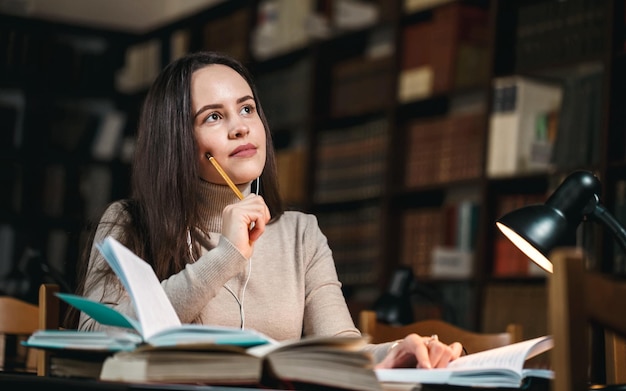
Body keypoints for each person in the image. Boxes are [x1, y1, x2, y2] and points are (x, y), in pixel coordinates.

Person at [67, 51, 464, 369]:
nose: (240, 127)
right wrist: (225, 257)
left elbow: (340, 345)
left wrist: (398, 351)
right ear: (176, 140)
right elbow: (96, 335)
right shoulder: (129, 221)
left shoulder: (301, 233)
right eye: (214, 117)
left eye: (247, 109)